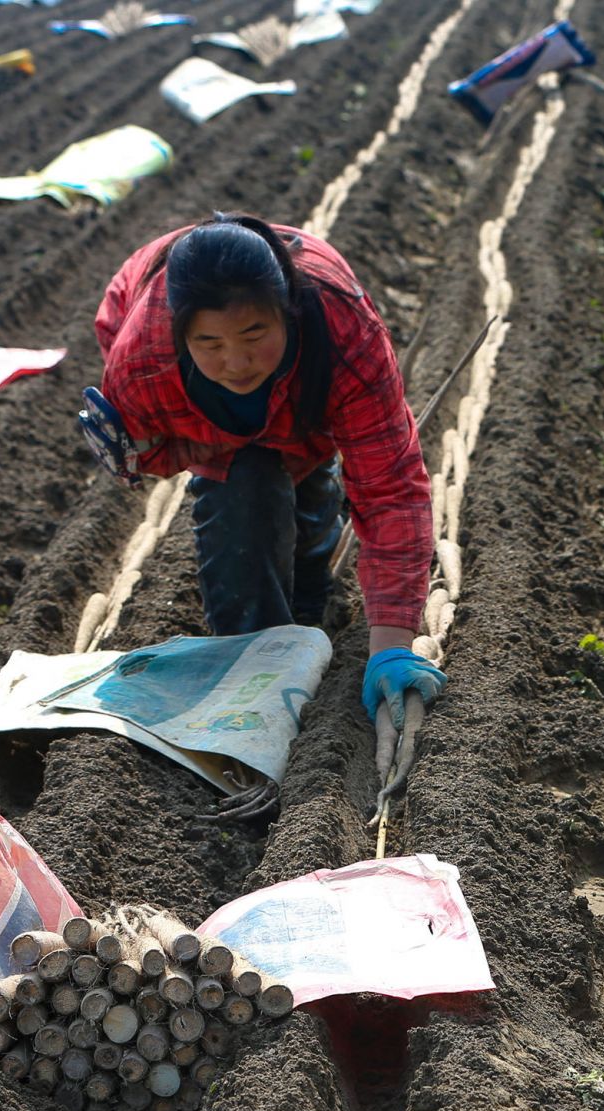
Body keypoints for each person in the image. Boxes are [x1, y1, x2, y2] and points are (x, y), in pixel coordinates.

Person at [87, 211, 444, 732]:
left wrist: (391, 645)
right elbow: (146, 457)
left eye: (254, 333)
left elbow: (391, 490)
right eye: (210, 343)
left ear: (288, 311)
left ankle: (308, 586)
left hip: (307, 398)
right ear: (180, 333)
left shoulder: (344, 333)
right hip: (201, 426)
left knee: (306, 540)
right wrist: (219, 448)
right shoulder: (143, 363)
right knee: (243, 491)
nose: (236, 361)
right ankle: (256, 686)